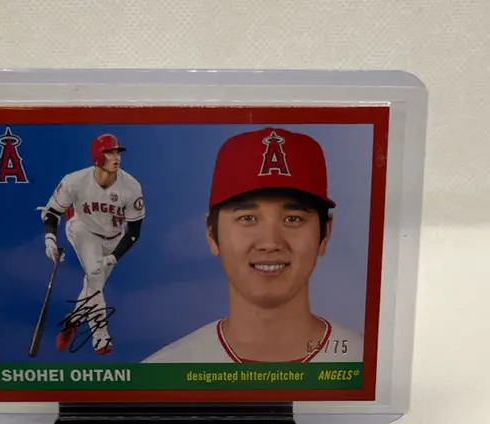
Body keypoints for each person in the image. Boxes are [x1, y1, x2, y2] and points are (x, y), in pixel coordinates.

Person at [143, 127, 362, 363]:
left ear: (325, 233)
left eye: (293, 219)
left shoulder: (369, 364)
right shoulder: (165, 370)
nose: (270, 243)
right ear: (211, 234)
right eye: (247, 218)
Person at [39, 133, 145, 355]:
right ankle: (101, 338)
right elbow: (52, 212)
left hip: (115, 238)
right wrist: (50, 239)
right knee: (95, 276)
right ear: (98, 156)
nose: (116, 157)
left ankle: (73, 321)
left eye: (117, 152)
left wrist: (115, 256)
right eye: (110, 152)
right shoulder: (75, 180)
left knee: (93, 285)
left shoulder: (131, 186)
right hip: (83, 229)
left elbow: (134, 232)